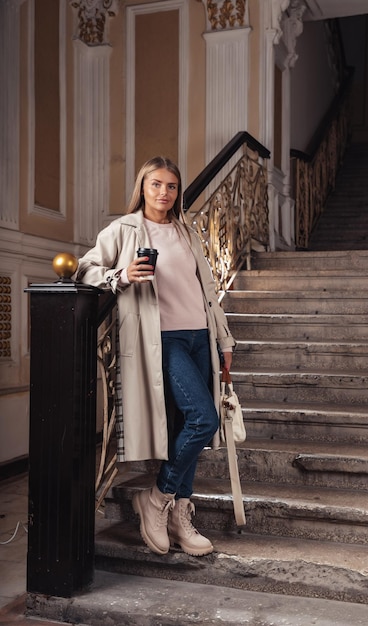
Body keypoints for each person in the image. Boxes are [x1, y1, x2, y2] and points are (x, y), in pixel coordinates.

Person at [76, 156, 235, 557]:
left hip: (200, 336)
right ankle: (156, 496)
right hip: (162, 339)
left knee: (188, 421)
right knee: (204, 418)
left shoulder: (187, 232)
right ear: (142, 187)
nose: (164, 193)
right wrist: (121, 276)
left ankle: (180, 513)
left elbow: (207, 289)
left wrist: (224, 341)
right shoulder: (124, 229)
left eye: (171, 186)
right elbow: (84, 269)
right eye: (156, 185)